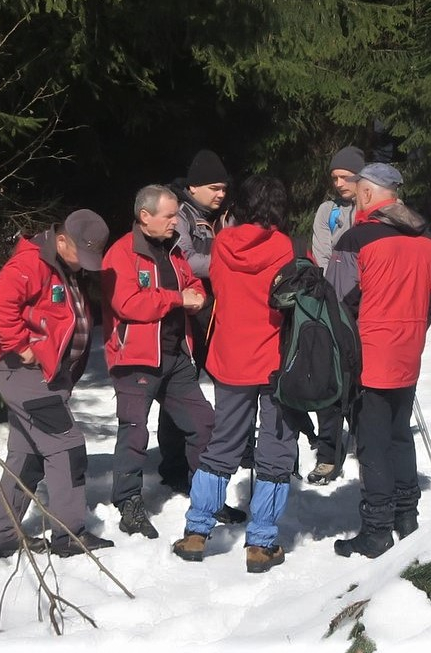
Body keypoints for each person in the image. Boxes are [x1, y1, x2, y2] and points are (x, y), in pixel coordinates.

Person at [172, 175, 296, 573]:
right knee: (275, 447)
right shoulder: (283, 246)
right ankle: (261, 543)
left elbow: (220, 286)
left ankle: (196, 531)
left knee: (222, 443)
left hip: (231, 357)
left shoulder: (224, 242)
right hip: (274, 359)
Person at [325, 163, 431, 559]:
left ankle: (376, 531)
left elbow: (337, 303)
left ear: (367, 193)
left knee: (372, 442)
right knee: (399, 433)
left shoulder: (357, 239)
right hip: (408, 353)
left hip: (369, 356)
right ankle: (407, 518)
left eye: (358, 189)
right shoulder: (427, 240)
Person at [0, 209, 115, 559]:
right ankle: (69, 535)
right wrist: (19, 346)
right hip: (27, 375)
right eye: (81, 254)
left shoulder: (63, 267)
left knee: (27, 458)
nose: (84, 263)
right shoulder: (31, 263)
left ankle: (2, 536)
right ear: (61, 240)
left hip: (45, 379)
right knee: (67, 447)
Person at [101, 184, 216, 540]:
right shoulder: (121, 254)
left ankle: (205, 497)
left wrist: (196, 295)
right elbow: (128, 303)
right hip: (136, 358)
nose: (175, 223)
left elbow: (192, 282)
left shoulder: (174, 249)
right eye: (168, 217)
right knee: (134, 432)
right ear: (144, 216)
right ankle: (128, 504)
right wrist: (177, 299)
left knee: (203, 423)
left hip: (175, 354)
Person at [155, 149, 229, 495]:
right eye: (214, 188)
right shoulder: (180, 214)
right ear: (194, 187)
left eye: (224, 188)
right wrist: (230, 260)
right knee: (180, 389)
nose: (221, 194)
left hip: (220, 309)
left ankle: (215, 453)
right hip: (190, 311)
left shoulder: (224, 216)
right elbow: (185, 258)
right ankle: (174, 464)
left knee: (220, 387)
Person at [306, 145, 365, 485]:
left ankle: (364, 441)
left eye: (345, 176)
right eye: (335, 177)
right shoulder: (328, 210)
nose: (339, 183)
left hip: (368, 308)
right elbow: (322, 255)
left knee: (364, 380)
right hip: (334, 307)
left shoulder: (374, 210)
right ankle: (328, 453)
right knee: (330, 378)